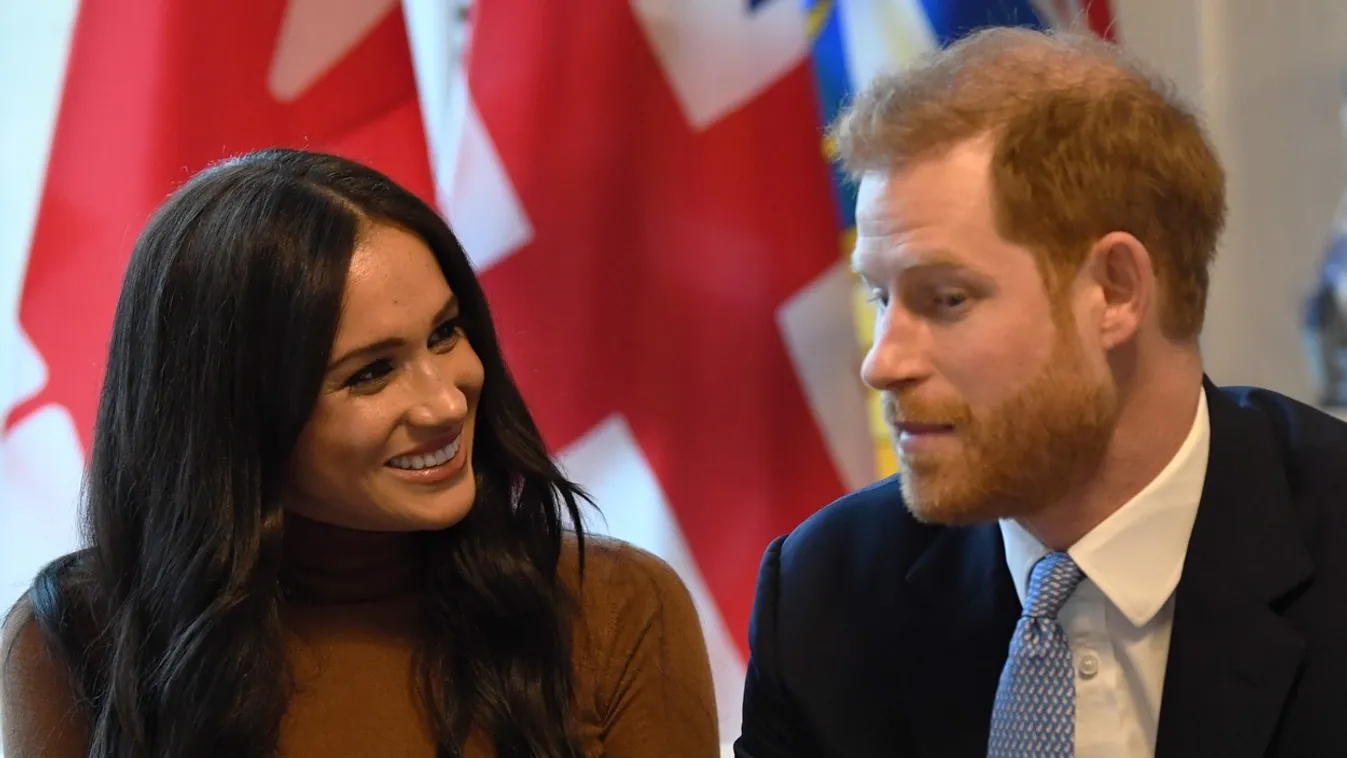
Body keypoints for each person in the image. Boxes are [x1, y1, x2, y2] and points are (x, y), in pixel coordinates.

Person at [735, 26, 1347, 758]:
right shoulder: (826, 593)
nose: (882, 362)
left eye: (946, 299)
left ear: (1115, 292)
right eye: (879, 297)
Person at [0, 148, 719, 758]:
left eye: (445, 334)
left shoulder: (615, 610)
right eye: (371, 372)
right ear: (235, 415)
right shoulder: (71, 640)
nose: (445, 402)